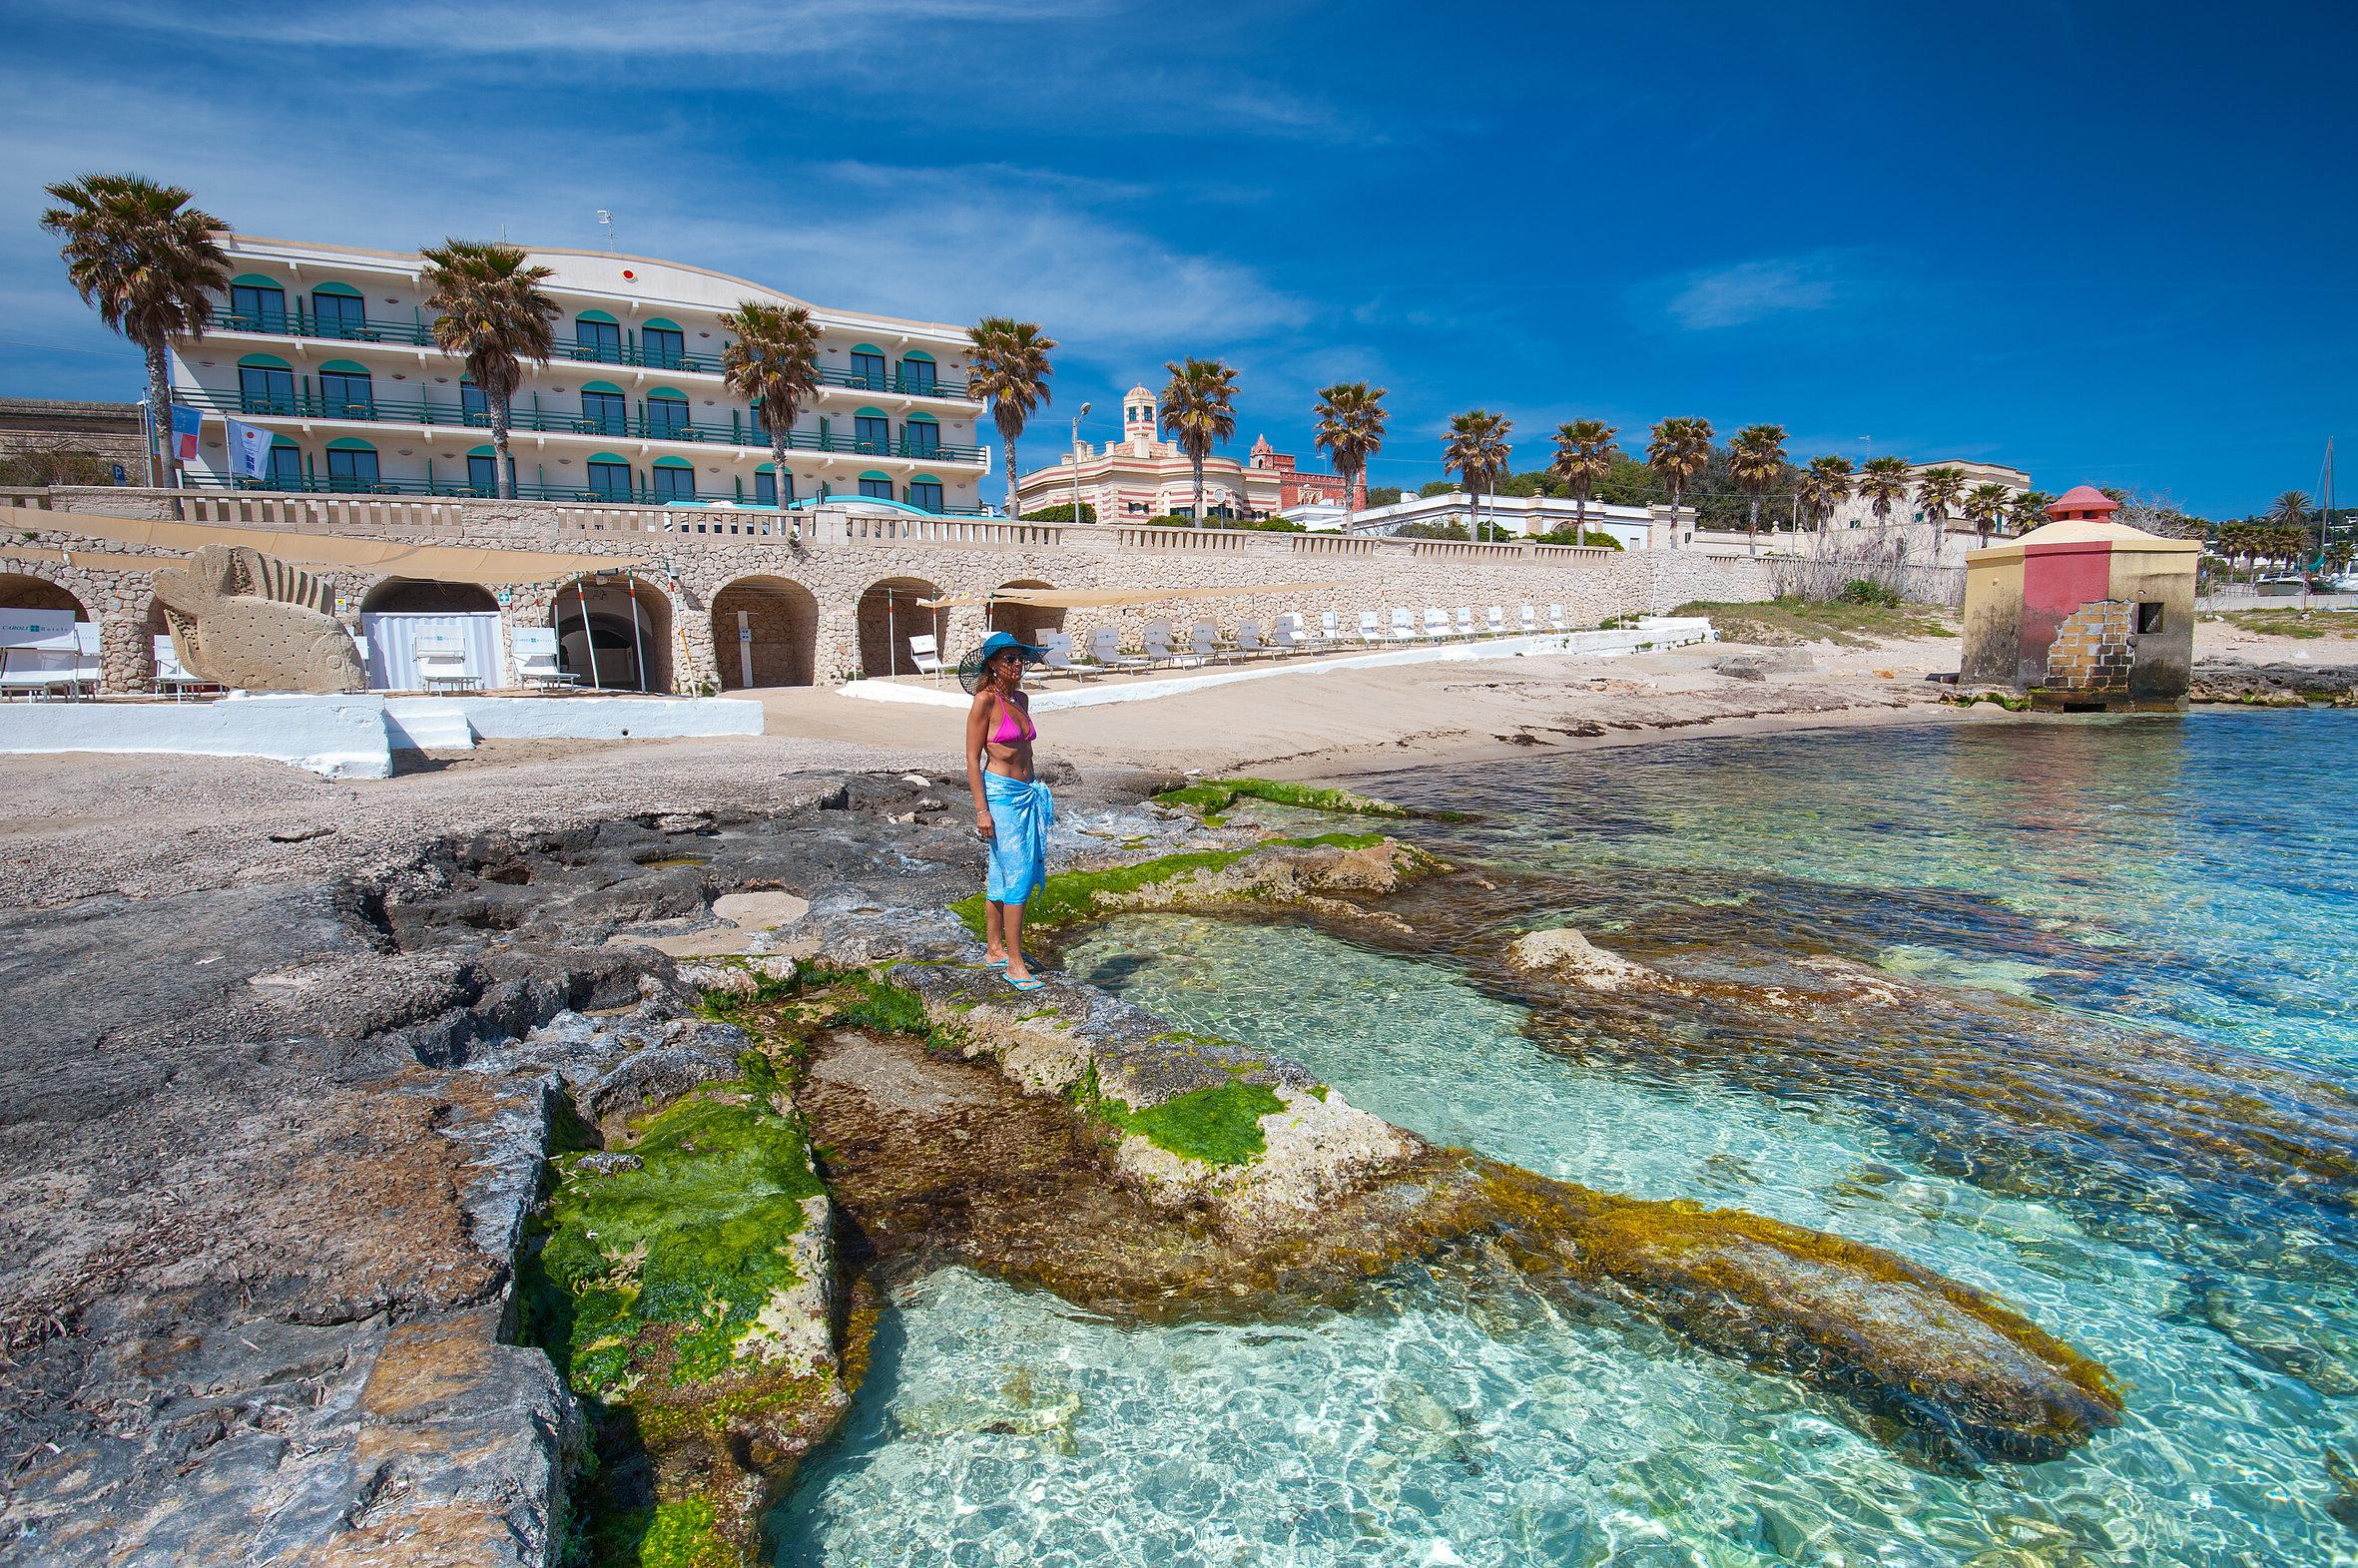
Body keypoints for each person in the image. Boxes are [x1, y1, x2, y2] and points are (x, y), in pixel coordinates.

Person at [963, 630, 1053, 989]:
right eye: (1009, 659)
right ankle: (1015, 964)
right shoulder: (984, 701)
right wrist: (981, 810)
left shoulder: (1022, 699)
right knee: (1017, 875)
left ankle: (995, 948)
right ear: (993, 664)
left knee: (1001, 874)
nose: (1018, 665)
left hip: (1026, 792)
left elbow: (1024, 751)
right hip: (1000, 796)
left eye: (1021, 659)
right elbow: (972, 759)